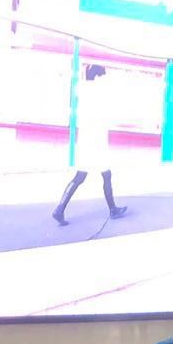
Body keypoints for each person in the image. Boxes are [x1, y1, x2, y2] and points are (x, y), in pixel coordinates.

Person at [51, 63, 128, 226]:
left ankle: (59, 209)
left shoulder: (82, 90)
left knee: (80, 176)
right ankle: (113, 210)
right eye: (104, 76)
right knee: (106, 175)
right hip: (97, 141)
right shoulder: (100, 93)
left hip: (85, 140)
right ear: (99, 77)